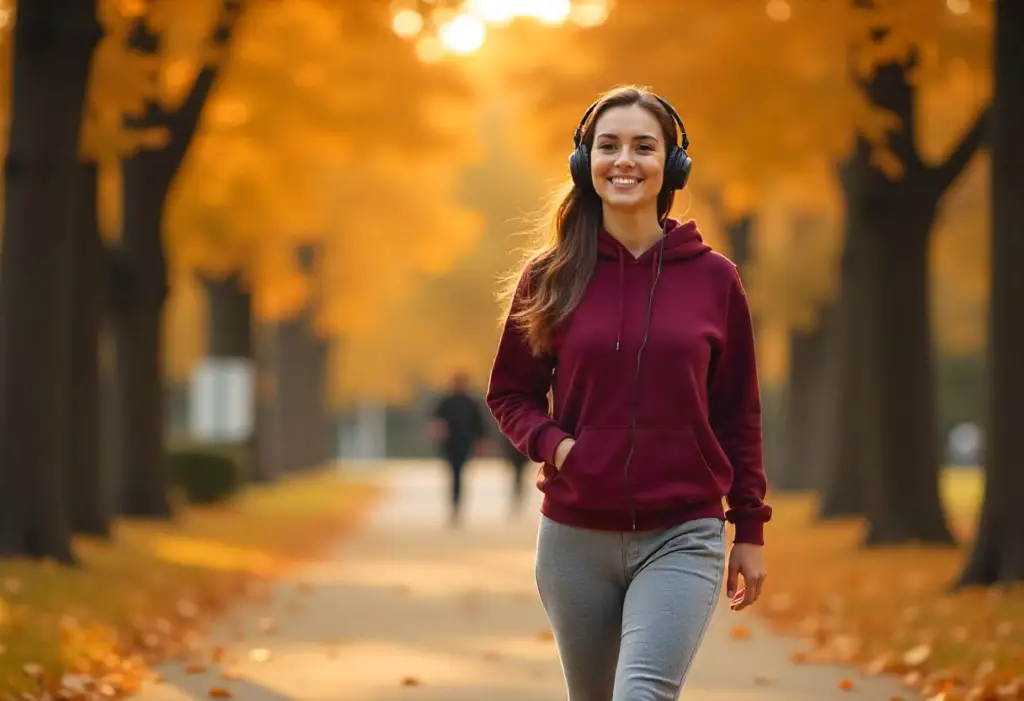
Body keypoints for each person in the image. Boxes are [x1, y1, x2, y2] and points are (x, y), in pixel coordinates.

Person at [486, 85, 771, 700]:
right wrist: (560, 449)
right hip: (574, 537)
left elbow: (737, 412)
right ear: (584, 162)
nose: (624, 161)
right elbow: (510, 394)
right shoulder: (551, 274)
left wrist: (749, 527)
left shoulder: (715, 279)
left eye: (644, 147)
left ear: (671, 164)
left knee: (641, 695)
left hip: (683, 531)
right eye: (608, 145)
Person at [430, 371, 487, 527]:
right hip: (455, 443)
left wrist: (481, 442)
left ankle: (456, 503)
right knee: (457, 473)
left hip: (460, 443)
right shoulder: (462, 402)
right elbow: (437, 422)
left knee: (457, 473)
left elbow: (479, 425)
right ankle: (456, 503)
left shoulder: (461, 402)